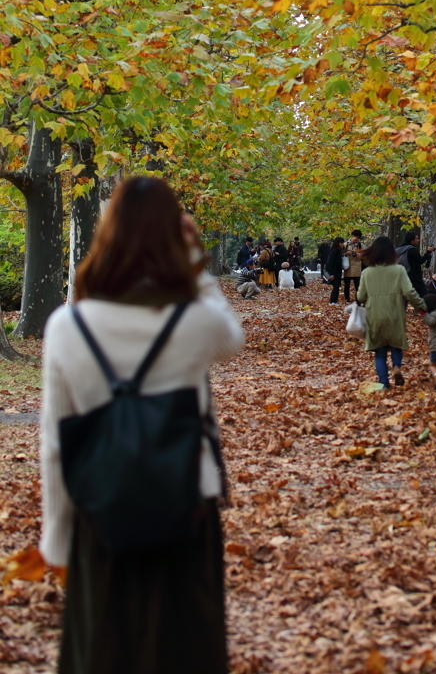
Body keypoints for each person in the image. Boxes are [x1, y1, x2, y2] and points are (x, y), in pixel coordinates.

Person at [40, 176, 244, 674]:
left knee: (104, 649)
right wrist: (195, 265)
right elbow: (231, 337)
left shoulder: (68, 327)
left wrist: (58, 539)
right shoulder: (194, 321)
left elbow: (55, 443)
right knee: (185, 647)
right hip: (184, 503)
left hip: (102, 509)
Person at [356, 235, 426, 389]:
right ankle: (396, 367)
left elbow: (360, 296)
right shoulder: (399, 270)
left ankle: (383, 383)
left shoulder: (367, 273)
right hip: (395, 314)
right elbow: (409, 292)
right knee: (396, 345)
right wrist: (422, 305)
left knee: (379, 352)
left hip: (375, 316)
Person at [396, 230, 435, 298]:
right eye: (416, 238)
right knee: (424, 295)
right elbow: (420, 260)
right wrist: (428, 252)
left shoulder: (401, 249)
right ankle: (424, 308)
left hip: (405, 276)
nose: (418, 240)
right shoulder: (412, 249)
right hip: (415, 277)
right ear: (411, 240)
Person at [344, 230, 364, 301]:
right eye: (355, 237)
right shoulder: (345, 245)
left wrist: (356, 255)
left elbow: (364, 255)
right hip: (347, 267)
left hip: (357, 268)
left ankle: (358, 299)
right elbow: (341, 254)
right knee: (346, 285)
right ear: (352, 236)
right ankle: (347, 299)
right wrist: (346, 254)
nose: (356, 239)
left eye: (358, 237)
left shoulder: (360, 245)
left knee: (357, 285)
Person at [325, 237, 345, 304]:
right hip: (334, 272)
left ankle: (334, 301)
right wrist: (332, 274)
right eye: (341, 243)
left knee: (337, 287)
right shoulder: (334, 251)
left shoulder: (338, 251)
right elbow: (330, 263)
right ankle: (332, 301)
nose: (342, 244)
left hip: (337, 272)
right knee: (336, 286)